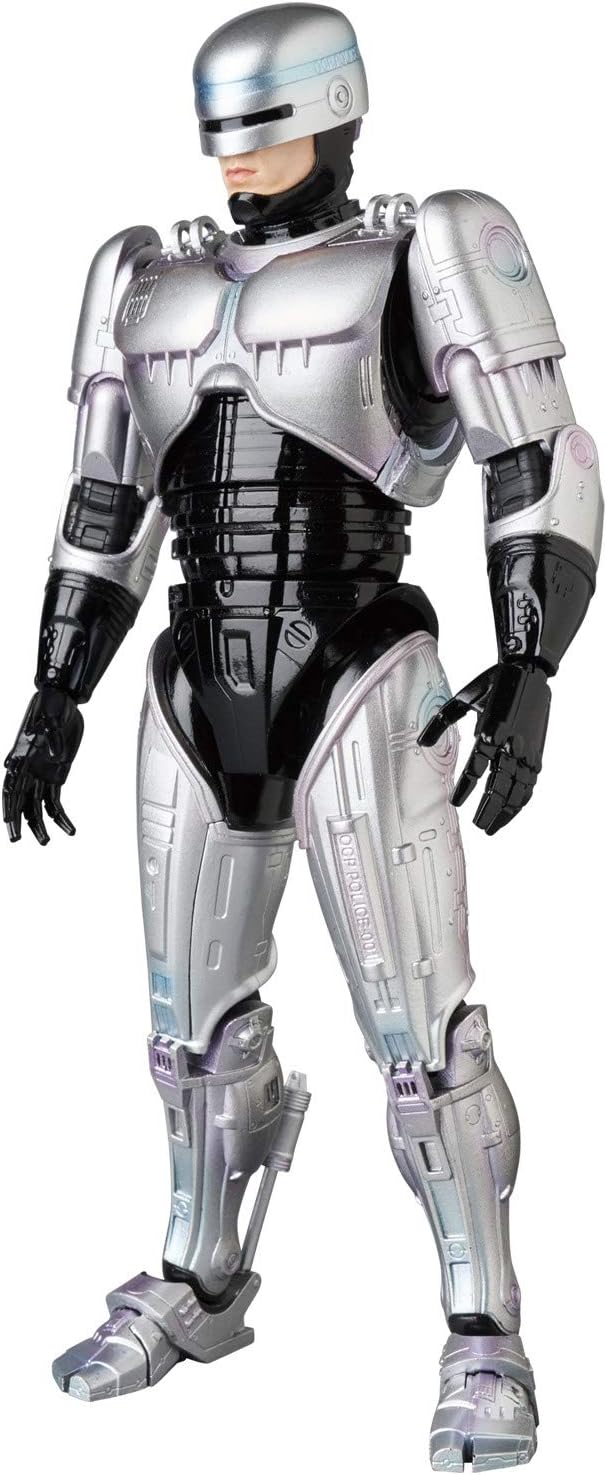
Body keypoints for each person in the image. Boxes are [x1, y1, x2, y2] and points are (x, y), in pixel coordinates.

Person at [3, 6, 602, 1469]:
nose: (237, 160)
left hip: (361, 659)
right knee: (185, 1034)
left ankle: (485, 1331)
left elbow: (538, 455)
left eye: (265, 129)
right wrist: (55, 694)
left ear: (335, 112)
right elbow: (105, 507)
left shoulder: (424, 248)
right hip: (194, 670)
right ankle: (201, 1278)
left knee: (424, 1039)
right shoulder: (141, 277)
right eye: (220, 133)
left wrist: (532, 663)